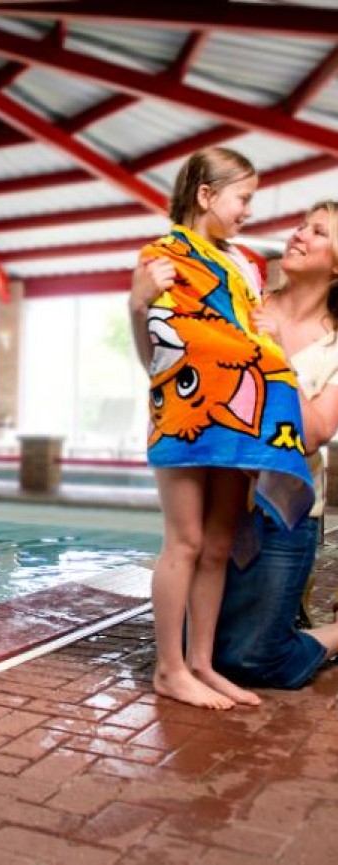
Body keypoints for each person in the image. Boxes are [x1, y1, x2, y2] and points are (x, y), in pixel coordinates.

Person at [129, 146, 313, 710]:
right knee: (183, 542)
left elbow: (243, 335)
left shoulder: (245, 264)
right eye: (243, 198)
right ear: (206, 196)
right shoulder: (161, 257)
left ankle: (202, 664)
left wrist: (262, 333)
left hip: (241, 419)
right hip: (186, 418)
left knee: (216, 544)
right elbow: (158, 356)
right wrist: (138, 306)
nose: (248, 211)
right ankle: (169, 669)